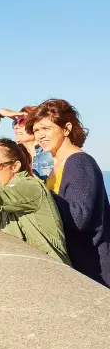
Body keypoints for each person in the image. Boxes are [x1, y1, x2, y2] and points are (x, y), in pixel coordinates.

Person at [26, 99, 110, 287]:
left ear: (66, 128)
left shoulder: (79, 162)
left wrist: (36, 191)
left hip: (92, 268)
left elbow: (79, 217)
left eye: (46, 128)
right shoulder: (57, 165)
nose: (40, 135)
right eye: (36, 130)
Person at [0, 106, 53, 179]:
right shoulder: (14, 154)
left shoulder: (51, 153)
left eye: (22, 122)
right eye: (15, 122)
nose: (16, 126)